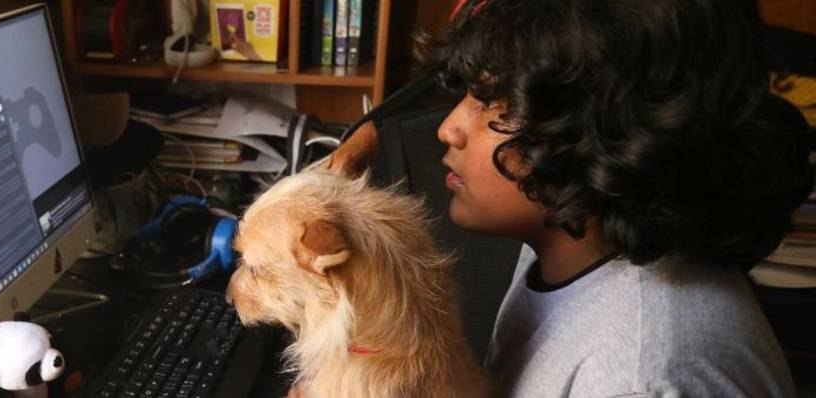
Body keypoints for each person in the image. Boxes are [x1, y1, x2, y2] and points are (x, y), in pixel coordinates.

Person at [327, 0, 813, 396]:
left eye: (497, 102)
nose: (449, 128)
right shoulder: (570, 241)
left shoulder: (638, 378)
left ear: (610, 130)